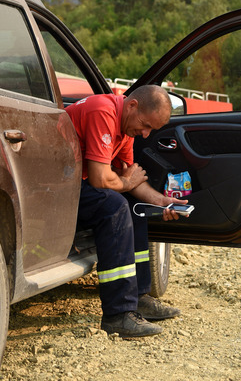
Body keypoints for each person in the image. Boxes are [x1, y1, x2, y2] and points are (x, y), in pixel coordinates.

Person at [64, 84, 189, 337]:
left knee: (137, 207)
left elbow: (128, 176)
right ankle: (118, 314)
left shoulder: (125, 127)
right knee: (114, 205)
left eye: (151, 130)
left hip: (75, 182)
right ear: (132, 105)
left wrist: (160, 201)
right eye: (145, 125)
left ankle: (138, 296)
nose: (144, 134)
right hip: (56, 186)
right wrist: (127, 183)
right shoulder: (103, 111)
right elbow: (101, 179)